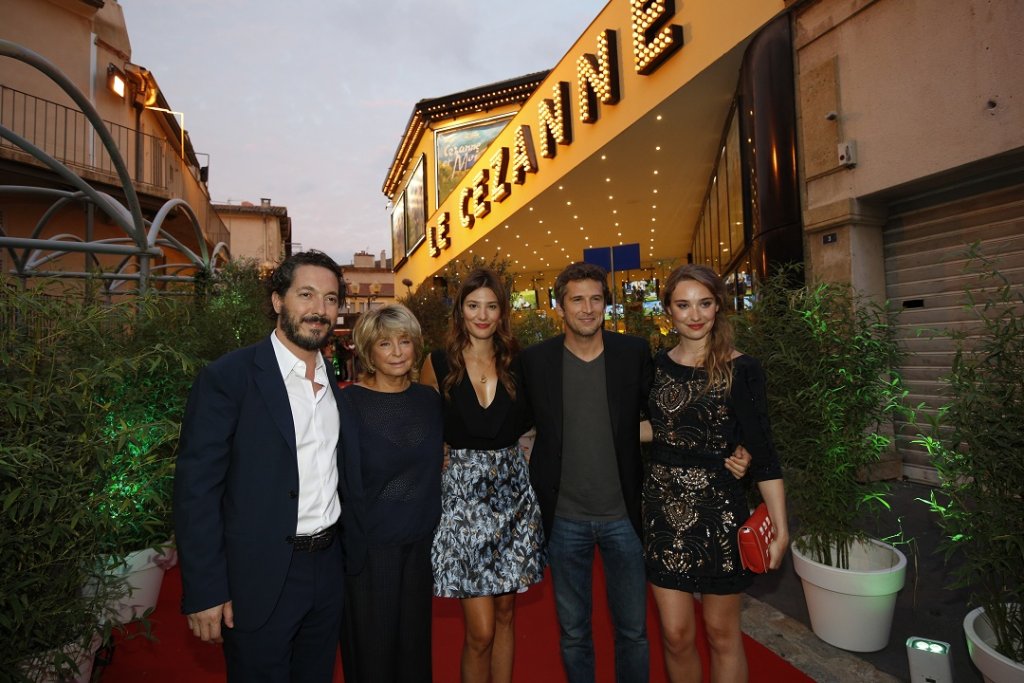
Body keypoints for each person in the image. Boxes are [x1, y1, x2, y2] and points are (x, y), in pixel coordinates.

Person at [173, 250, 346, 682]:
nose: (318, 310)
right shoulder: (228, 378)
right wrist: (205, 589)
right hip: (259, 574)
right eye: (305, 294)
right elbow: (197, 491)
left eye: (329, 299)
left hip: (328, 570)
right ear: (276, 301)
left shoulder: (336, 385)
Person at [643, 264, 788, 683]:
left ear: (718, 306)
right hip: (662, 512)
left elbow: (763, 454)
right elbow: (660, 426)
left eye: (704, 303)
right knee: (675, 635)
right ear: (668, 310)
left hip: (720, 513)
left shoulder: (742, 369)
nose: (695, 314)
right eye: (683, 304)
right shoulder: (656, 366)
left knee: (722, 634)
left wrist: (780, 526)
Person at [519, 261, 653, 683]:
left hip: (624, 517)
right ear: (561, 307)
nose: (588, 308)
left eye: (596, 299)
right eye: (577, 299)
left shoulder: (633, 353)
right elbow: (517, 421)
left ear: (606, 305)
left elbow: (664, 418)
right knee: (574, 632)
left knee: (633, 631)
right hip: (564, 519)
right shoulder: (536, 361)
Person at [421, 268, 545, 683]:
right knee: (481, 630)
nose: (482, 314)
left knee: (507, 615)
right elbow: (421, 430)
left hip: (512, 497)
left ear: (502, 313)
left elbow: (544, 422)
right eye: (474, 305)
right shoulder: (437, 363)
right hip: (461, 502)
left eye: (491, 306)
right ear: (460, 311)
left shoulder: (520, 363)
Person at [338, 304, 444, 683]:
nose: (398, 352)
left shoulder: (430, 401)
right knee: (373, 656)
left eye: (405, 342)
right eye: (385, 343)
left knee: (414, 652)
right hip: (370, 550)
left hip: (419, 545)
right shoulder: (348, 405)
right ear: (369, 351)